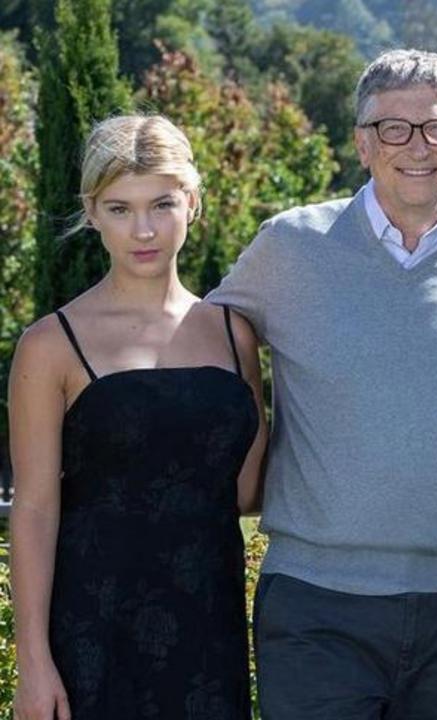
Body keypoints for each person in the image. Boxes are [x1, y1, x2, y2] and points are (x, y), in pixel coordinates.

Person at [205, 49, 437, 719]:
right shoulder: (289, 248)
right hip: (315, 605)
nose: (417, 146)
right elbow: (198, 342)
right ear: (362, 143)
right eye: (392, 128)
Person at [9, 114, 267, 720]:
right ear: (91, 211)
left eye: (162, 204)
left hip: (212, 627)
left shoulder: (235, 334)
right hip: (91, 636)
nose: (144, 229)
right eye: (120, 208)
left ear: (192, 203)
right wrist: (34, 664)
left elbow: (247, 488)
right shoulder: (49, 346)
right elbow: (35, 510)